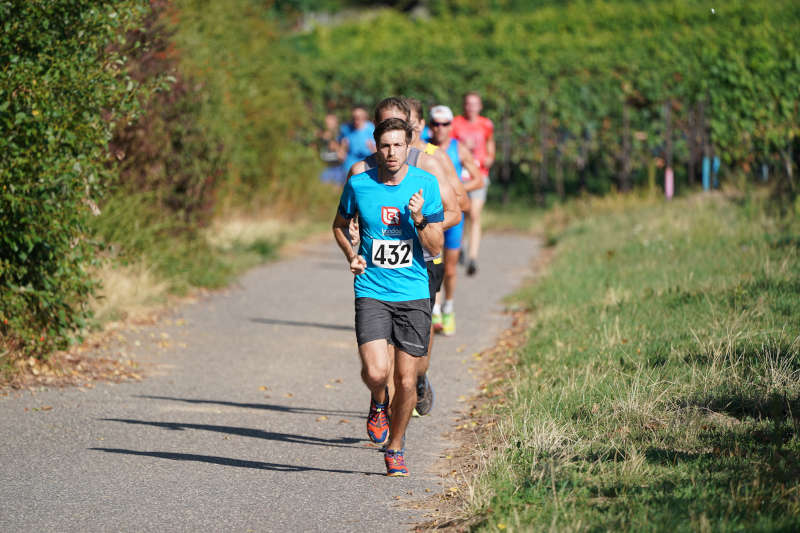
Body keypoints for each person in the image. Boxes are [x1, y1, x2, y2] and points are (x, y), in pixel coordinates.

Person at [332, 117, 444, 476]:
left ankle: (395, 447)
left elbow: (437, 245)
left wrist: (419, 219)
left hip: (413, 292)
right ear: (375, 147)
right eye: (385, 145)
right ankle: (378, 401)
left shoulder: (426, 184)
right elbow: (338, 224)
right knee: (376, 372)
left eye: (398, 145)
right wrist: (352, 254)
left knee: (408, 381)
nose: (392, 152)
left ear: (408, 146)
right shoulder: (359, 184)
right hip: (372, 289)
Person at [347, 97, 469, 417]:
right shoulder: (363, 170)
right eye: (384, 127)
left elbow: (457, 209)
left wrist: (423, 225)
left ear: (411, 130)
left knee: (416, 360)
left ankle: (417, 380)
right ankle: (383, 408)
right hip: (380, 276)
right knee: (380, 359)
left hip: (424, 267)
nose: (393, 137)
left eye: (401, 127)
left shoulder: (429, 162)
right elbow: (347, 219)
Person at [427, 105, 484, 336]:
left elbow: (478, 180)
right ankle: (435, 310)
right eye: (435, 123)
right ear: (430, 125)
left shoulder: (459, 150)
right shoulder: (424, 149)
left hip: (453, 216)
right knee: (433, 265)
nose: (440, 128)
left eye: (445, 124)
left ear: (452, 126)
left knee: (449, 269)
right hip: (431, 217)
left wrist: (455, 189)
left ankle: (448, 306)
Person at [452, 92, 495, 276]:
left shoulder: (486, 124)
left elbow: (490, 143)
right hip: (460, 174)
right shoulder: (456, 123)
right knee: (462, 212)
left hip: (479, 174)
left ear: (480, 106)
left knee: (475, 214)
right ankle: (460, 245)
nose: (471, 107)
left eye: (475, 104)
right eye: (468, 104)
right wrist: (463, 146)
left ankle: (473, 258)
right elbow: (449, 144)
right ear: (464, 105)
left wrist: (490, 158)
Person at [338, 105, 376, 183]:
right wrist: (342, 150)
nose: (356, 120)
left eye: (359, 117)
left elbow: (378, 152)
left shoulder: (371, 129)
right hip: (349, 166)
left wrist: (372, 148)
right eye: (354, 117)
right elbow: (340, 150)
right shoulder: (346, 129)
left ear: (365, 117)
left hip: (367, 166)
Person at [319, 113, 345, 184]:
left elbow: (343, 156)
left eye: (331, 123)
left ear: (336, 123)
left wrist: (333, 143)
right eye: (327, 123)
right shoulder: (320, 137)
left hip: (337, 169)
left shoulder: (341, 136)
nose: (328, 125)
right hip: (323, 168)